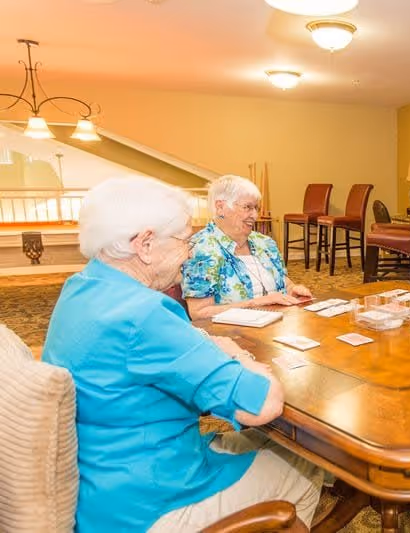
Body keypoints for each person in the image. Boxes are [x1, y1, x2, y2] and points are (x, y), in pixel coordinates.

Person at [42, 177, 322, 532]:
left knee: (275, 444)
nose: (189, 253)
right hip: (151, 503)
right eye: (184, 241)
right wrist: (236, 352)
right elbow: (262, 404)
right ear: (144, 244)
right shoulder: (143, 313)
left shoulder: (80, 288)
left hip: (100, 483)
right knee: (306, 465)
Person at [182, 174, 312, 319]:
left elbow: (285, 282)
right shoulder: (201, 248)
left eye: (256, 208)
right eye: (247, 207)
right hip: (233, 335)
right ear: (220, 207)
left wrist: (293, 290)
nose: (255, 215)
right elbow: (199, 313)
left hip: (279, 325)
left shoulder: (265, 242)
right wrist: (256, 303)